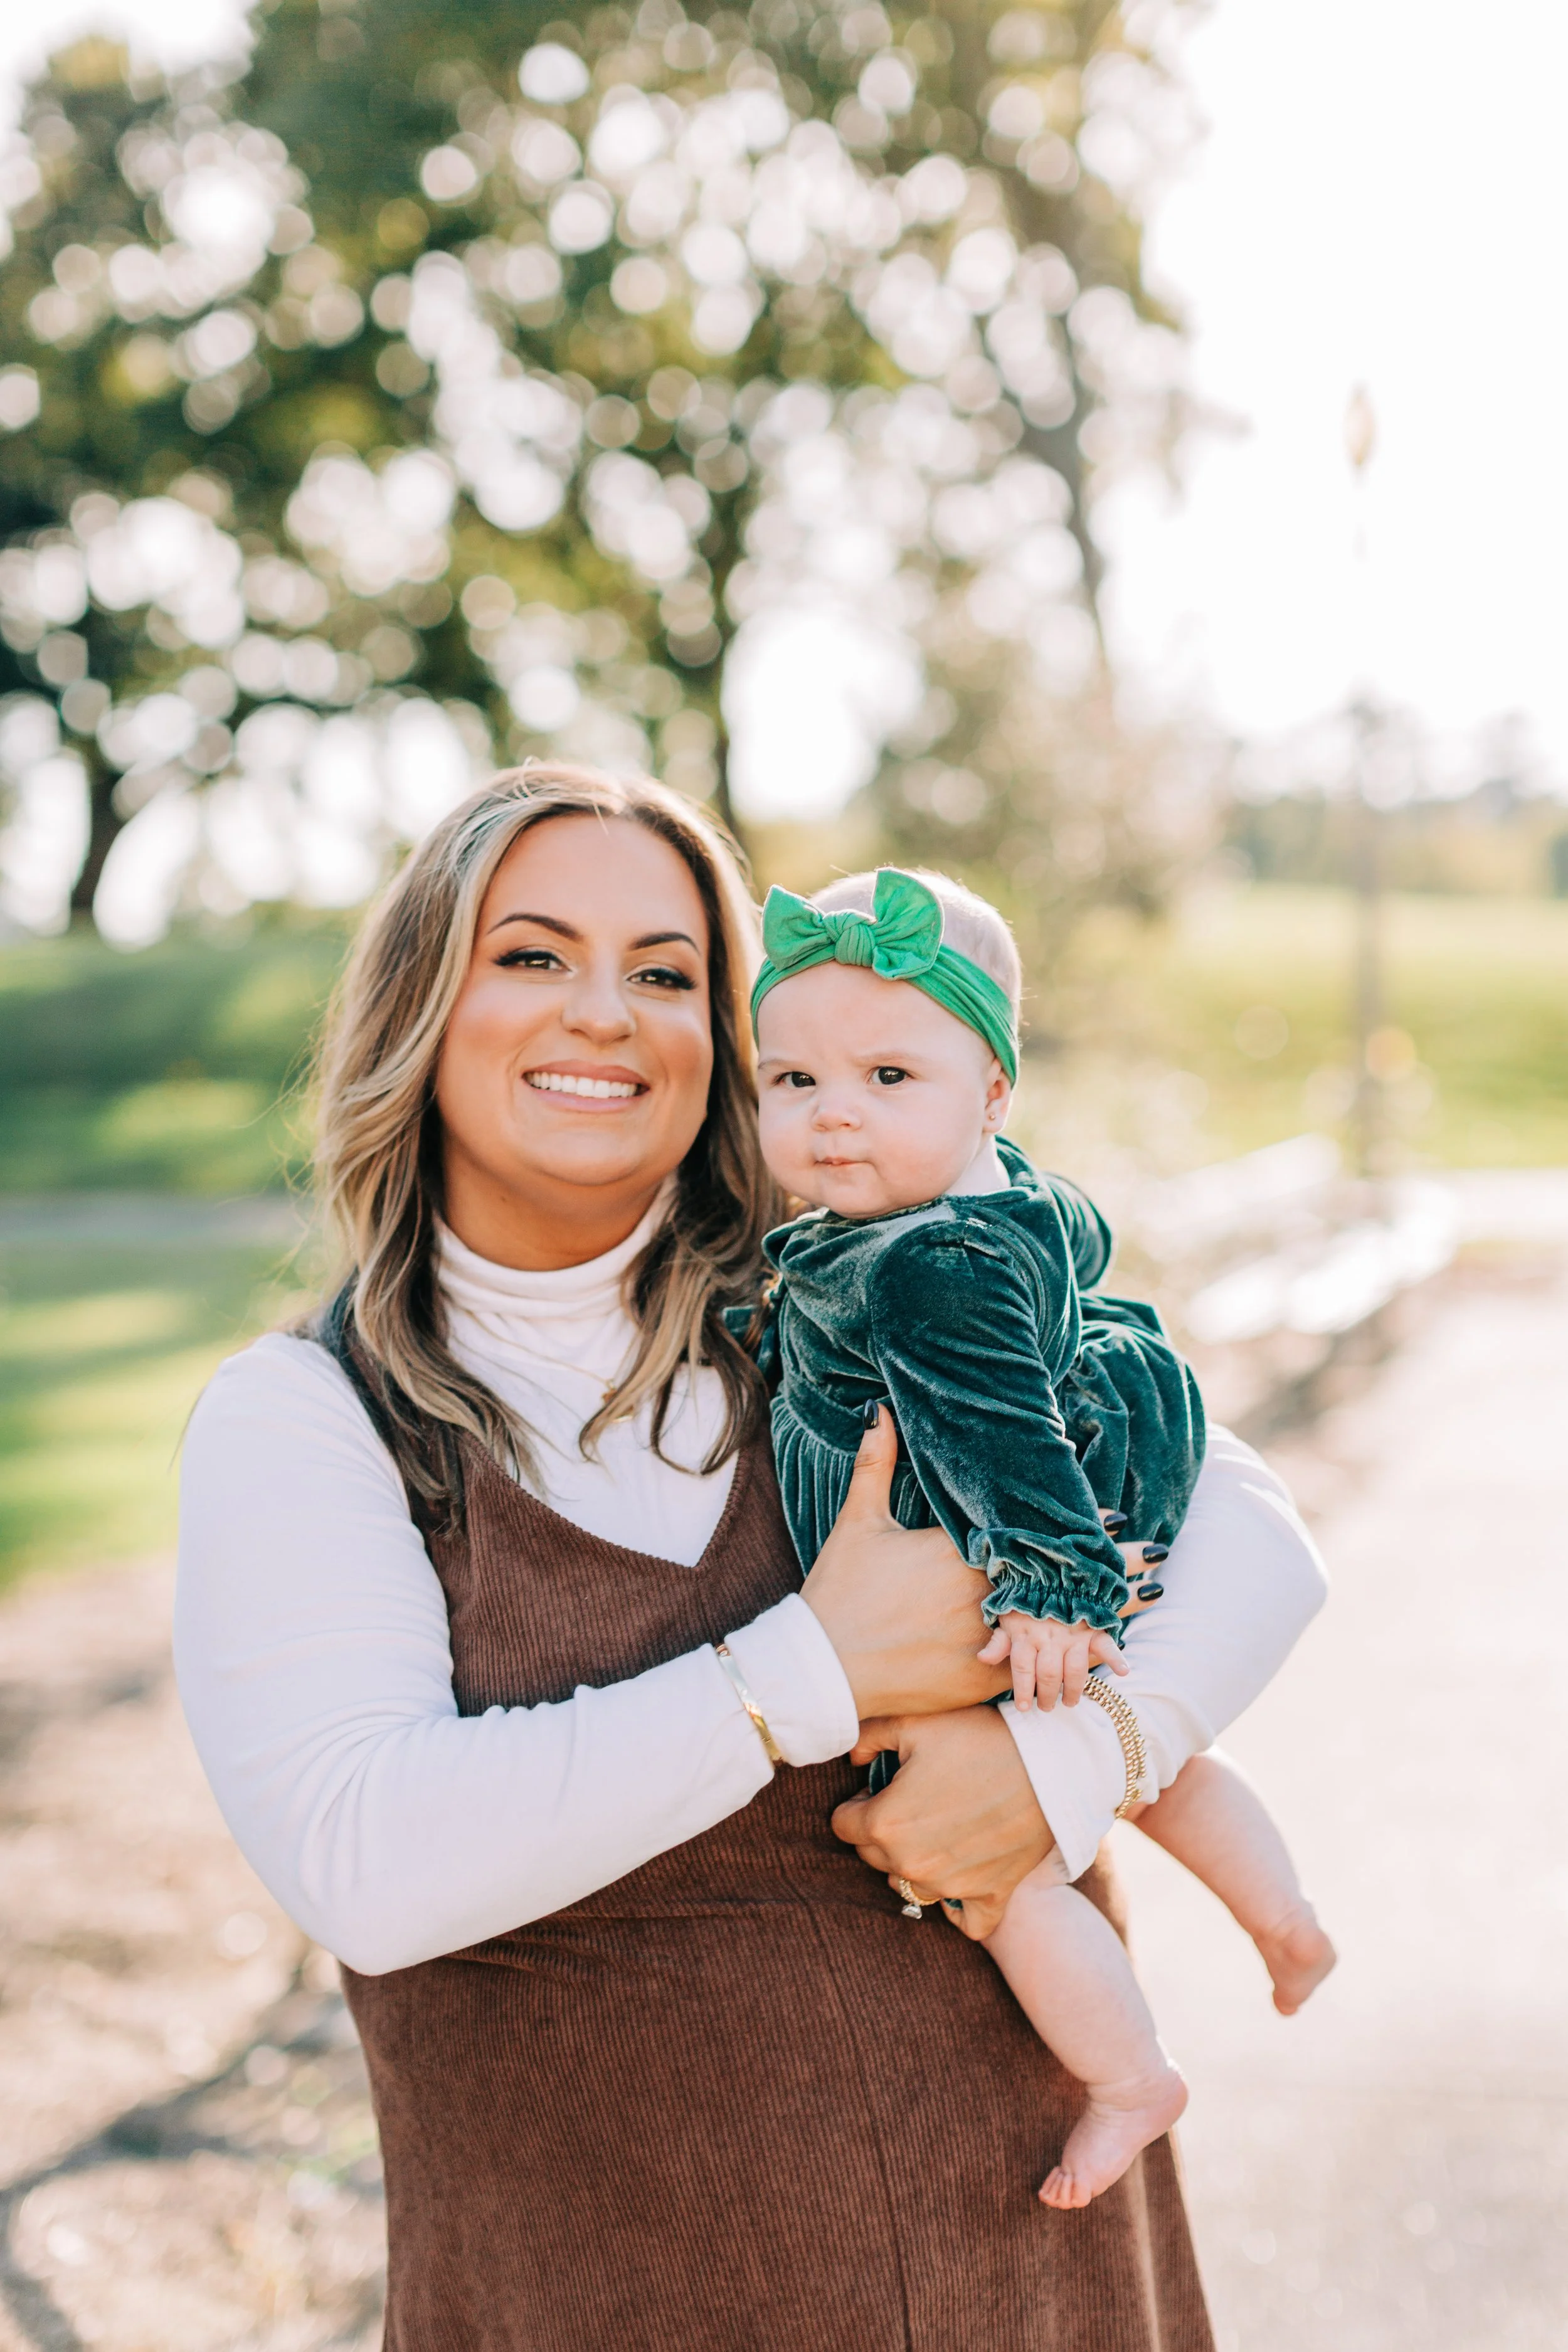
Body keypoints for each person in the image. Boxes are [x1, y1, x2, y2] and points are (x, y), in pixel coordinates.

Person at [176, 764, 1327, 2352]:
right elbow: (368, 1866)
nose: (604, 1013)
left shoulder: (845, 1293)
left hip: (1033, 2263)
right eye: (531, 956)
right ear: (417, 1007)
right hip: (622, 2301)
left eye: (666, 973)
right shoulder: (307, 1423)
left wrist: (1076, 1772)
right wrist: (810, 1673)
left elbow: (1251, 1531)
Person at [750, 864, 1335, 2209]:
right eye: (794, 1083)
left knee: (997, 1880)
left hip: (984, 1569)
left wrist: (1056, 1583)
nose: (834, 1112)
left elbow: (996, 1421)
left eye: (887, 1078)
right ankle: (1284, 1922)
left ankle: (1129, 2076)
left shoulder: (922, 1263)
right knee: (1157, 1764)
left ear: (991, 1094)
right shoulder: (968, 1209)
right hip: (1022, 1555)